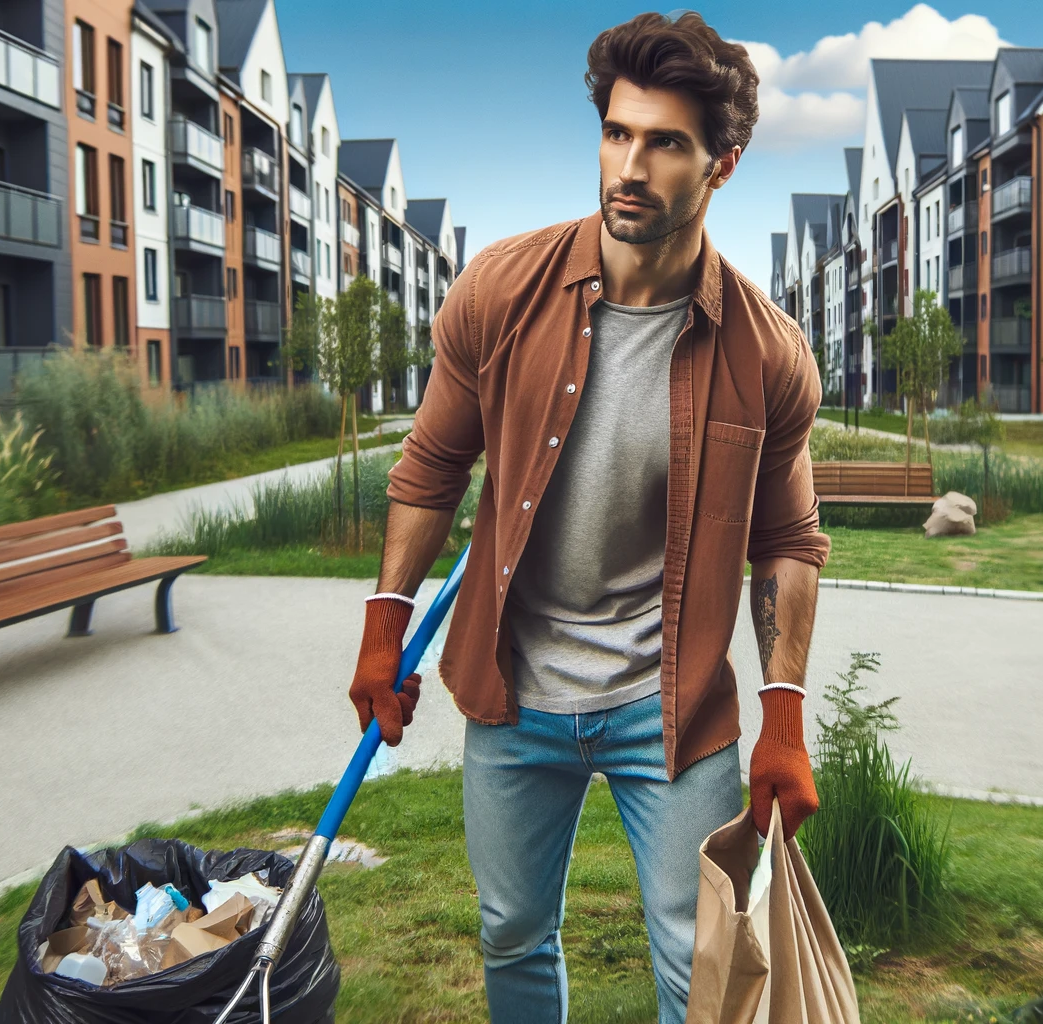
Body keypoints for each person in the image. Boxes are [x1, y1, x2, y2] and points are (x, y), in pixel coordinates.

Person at [345, 11, 828, 1021]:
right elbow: (431, 466)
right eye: (617, 132)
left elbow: (785, 539)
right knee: (512, 931)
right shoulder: (499, 293)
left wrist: (781, 709)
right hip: (514, 689)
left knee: (693, 954)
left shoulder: (766, 354)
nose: (630, 165)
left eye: (664, 143)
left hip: (674, 706)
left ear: (722, 165)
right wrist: (384, 619)